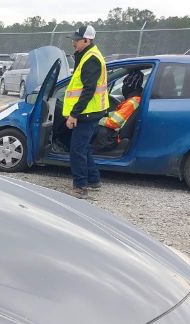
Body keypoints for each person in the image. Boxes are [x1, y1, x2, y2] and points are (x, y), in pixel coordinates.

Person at [62, 25, 108, 199]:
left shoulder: (91, 59)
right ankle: (94, 180)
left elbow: (88, 90)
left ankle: (80, 187)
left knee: (77, 150)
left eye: (76, 39)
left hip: (86, 113)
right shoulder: (88, 56)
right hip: (91, 111)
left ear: (86, 40)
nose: (73, 42)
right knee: (85, 148)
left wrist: (74, 114)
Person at [92, 70, 144, 152]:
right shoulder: (135, 99)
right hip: (118, 130)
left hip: (115, 137)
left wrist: (96, 119)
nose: (123, 87)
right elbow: (120, 115)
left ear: (130, 86)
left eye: (124, 84)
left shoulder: (132, 102)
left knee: (93, 127)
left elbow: (114, 123)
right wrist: (106, 114)